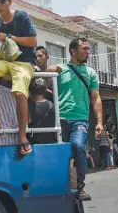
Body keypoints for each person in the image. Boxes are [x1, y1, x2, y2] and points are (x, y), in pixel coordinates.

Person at [47, 37, 103, 201]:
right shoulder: (61, 69)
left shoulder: (91, 73)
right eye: (84, 49)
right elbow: (44, 76)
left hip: (80, 119)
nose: (88, 52)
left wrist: (99, 122)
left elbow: (96, 98)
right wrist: (49, 67)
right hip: (60, 119)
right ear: (73, 51)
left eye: (88, 49)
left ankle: (80, 186)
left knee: (78, 146)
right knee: (60, 153)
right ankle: (61, 184)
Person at [0, 0, 38, 155]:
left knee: (18, 93)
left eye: (2, 1)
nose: (0, 5)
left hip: (24, 63)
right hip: (3, 62)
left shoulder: (21, 16)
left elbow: (33, 42)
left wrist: (10, 37)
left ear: (10, 2)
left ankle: (22, 137)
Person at [27, 77, 56, 144]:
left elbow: (27, 121)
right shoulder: (52, 105)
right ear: (45, 90)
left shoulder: (27, 106)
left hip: (33, 144)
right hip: (50, 143)